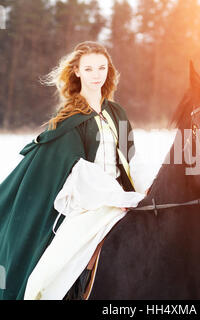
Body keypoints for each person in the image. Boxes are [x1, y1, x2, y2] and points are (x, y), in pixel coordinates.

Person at [0, 41, 145, 300]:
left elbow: (130, 160)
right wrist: (116, 197)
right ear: (77, 71)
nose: (96, 75)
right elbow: (77, 171)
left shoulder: (116, 112)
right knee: (55, 267)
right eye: (89, 69)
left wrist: (145, 192)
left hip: (121, 195)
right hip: (86, 200)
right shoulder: (70, 117)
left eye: (101, 68)